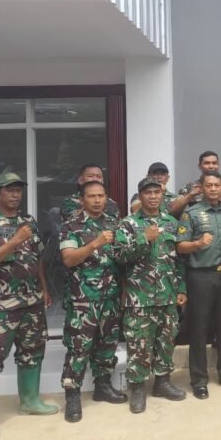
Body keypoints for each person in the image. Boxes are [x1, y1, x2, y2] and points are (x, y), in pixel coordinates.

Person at [0, 172, 57, 440]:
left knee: (32, 352)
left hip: (31, 302)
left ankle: (30, 402)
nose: (15, 194)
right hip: (1, 306)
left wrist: (44, 288)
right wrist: (15, 241)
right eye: (9, 190)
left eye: (18, 190)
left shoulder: (28, 222)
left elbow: (37, 258)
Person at [113, 177, 187, 413]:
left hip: (167, 294)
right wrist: (144, 239)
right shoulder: (128, 224)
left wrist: (182, 288)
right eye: (148, 193)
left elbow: (180, 260)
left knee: (166, 341)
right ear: (140, 196)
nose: (153, 196)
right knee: (139, 344)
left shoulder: (171, 223)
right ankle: (137, 388)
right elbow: (119, 257)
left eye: (157, 192)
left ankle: (162, 382)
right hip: (139, 297)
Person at [59, 180, 127, 423]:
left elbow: (122, 259)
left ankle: (103, 386)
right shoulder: (71, 225)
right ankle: (72, 395)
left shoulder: (114, 223)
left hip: (110, 297)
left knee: (107, 344)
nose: (97, 200)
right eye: (92, 196)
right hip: (83, 299)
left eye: (101, 196)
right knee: (79, 348)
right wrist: (95, 243)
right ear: (82, 199)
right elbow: (69, 259)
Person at [176, 170, 221, 399]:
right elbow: (180, 246)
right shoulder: (191, 213)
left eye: (217, 185)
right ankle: (199, 380)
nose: (213, 189)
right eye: (209, 185)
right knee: (199, 330)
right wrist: (197, 243)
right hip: (200, 277)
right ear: (202, 188)